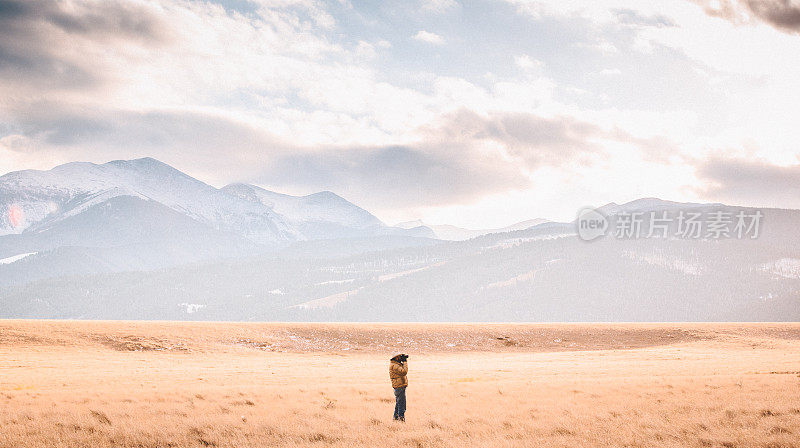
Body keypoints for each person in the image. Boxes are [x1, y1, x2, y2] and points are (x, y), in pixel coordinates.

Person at [389, 353, 408, 421]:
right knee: (401, 405)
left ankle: (395, 419)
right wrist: (405, 362)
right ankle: (401, 420)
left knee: (398, 404)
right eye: (399, 357)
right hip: (399, 387)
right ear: (396, 358)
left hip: (399, 386)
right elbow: (404, 371)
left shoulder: (395, 365)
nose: (400, 358)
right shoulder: (394, 365)